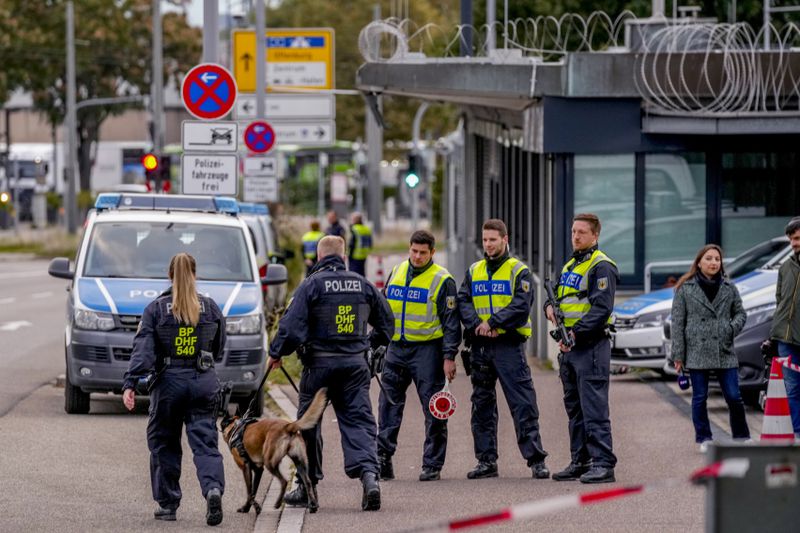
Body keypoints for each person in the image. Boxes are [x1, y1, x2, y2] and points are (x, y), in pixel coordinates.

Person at [268, 236, 394, 511]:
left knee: (308, 425)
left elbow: (291, 327)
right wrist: (367, 346)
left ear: (319, 256)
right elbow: (387, 324)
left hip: (320, 367)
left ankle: (306, 486)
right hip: (354, 367)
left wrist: (276, 352)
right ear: (344, 256)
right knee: (359, 422)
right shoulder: (363, 284)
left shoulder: (311, 284)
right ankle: (370, 478)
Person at [122, 253, 226, 526]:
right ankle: (213, 489)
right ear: (195, 274)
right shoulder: (211, 307)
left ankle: (168, 505)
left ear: (169, 276)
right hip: (203, 382)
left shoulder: (155, 309)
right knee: (205, 443)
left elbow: (143, 351)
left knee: (164, 444)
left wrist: (131, 383)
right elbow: (219, 348)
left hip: (168, 384)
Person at [457, 218, 549, 480]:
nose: (488, 245)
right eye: (485, 240)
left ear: (505, 240)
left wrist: (494, 323)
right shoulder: (474, 270)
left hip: (508, 345)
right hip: (481, 345)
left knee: (522, 403)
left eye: (493, 240)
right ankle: (486, 461)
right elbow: (464, 300)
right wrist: (477, 325)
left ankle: (536, 460)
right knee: (482, 406)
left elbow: (521, 306)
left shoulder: (518, 270)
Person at [377, 230, 461, 482]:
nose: (417, 256)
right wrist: (377, 344)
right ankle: (383, 458)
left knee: (434, 408)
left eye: (423, 252)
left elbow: (451, 323)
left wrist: (449, 357)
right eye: (414, 251)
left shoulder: (443, 280)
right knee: (388, 407)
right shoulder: (398, 271)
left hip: (427, 351)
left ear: (432, 252)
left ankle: (432, 464)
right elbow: (383, 310)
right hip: (396, 349)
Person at [544, 213, 617, 484]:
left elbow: (601, 309)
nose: (575, 236)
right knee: (575, 409)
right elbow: (560, 300)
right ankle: (580, 460)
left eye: (582, 233)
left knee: (594, 407)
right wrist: (548, 308)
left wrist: (575, 333)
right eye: (574, 231)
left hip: (591, 346)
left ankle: (603, 463)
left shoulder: (602, 266)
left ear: (595, 236)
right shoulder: (570, 267)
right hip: (570, 348)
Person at [669, 244, 750, 451]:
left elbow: (741, 314)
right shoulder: (685, 288)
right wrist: (677, 355)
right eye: (709, 258)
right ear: (699, 262)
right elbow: (677, 323)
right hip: (696, 349)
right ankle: (704, 438)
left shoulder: (729, 288)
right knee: (699, 397)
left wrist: (730, 329)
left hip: (723, 348)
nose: (714, 262)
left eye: (717, 259)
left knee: (733, 396)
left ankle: (742, 437)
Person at [770, 216, 800, 438]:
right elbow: (779, 299)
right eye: (791, 239)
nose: (794, 243)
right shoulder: (786, 267)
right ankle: (797, 436)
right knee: (792, 388)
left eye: (798, 238)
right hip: (786, 339)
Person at [348, 212, 373, 277]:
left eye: (352, 219)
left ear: (355, 220)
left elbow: (352, 243)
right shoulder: (367, 229)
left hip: (355, 255)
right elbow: (370, 243)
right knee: (362, 273)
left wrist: (349, 254)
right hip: (364, 254)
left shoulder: (354, 229)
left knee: (354, 275)